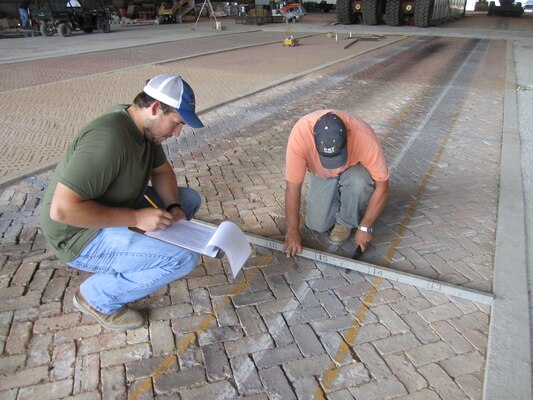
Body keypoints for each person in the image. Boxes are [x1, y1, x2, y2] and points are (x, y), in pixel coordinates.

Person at [40, 74, 205, 331]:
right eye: (176, 123)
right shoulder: (108, 139)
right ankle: (96, 297)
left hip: (118, 205)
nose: (176, 133)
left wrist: (173, 207)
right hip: (78, 234)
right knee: (183, 259)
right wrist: (137, 219)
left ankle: (143, 250)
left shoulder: (143, 127)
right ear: (155, 108)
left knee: (188, 200)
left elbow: (161, 171)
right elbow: (62, 210)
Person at [283, 109, 390, 257]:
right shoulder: (300, 136)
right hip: (321, 173)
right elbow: (293, 187)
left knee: (359, 182)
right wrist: (292, 230)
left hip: (352, 170)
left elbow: (383, 187)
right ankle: (341, 196)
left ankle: (346, 220)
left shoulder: (364, 136)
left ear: (347, 137)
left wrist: (365, 226)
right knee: (317, 225)